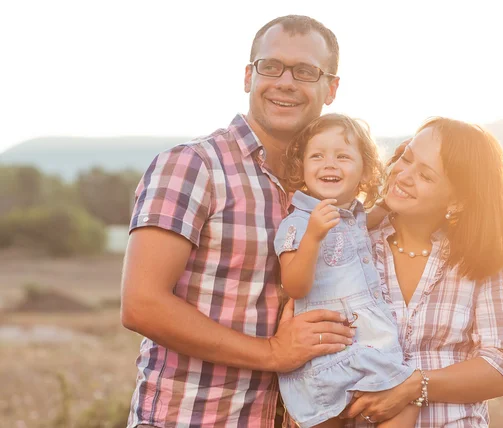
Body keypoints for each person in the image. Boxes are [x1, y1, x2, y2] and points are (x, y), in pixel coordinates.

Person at [120, 15, 355, 428]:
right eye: (271, 66)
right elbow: (142, 305)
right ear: (249, 76)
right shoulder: (193, 166)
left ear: (330, 88)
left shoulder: (326, 189)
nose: (285, 81)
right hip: (193, 418)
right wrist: (272, 353)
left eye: (305, 71)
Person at [341, 117, 503, 427]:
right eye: (406, 157)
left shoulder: (484, 258)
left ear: (458, 201)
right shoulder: (353, 245)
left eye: (425, 175)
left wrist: (414, 386)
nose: (403, 174)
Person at [275, 113, 418, 428]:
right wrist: (312, 237)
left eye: (342, 156)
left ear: (364, 171)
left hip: (370, 347)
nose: (329, 164)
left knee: (405, 405)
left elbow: (382, 209)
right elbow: (295, 286)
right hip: (324, 354)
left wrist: (399, 168)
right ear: (301, 168)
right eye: (317, 156)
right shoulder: (297, 223)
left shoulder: (354, 217)